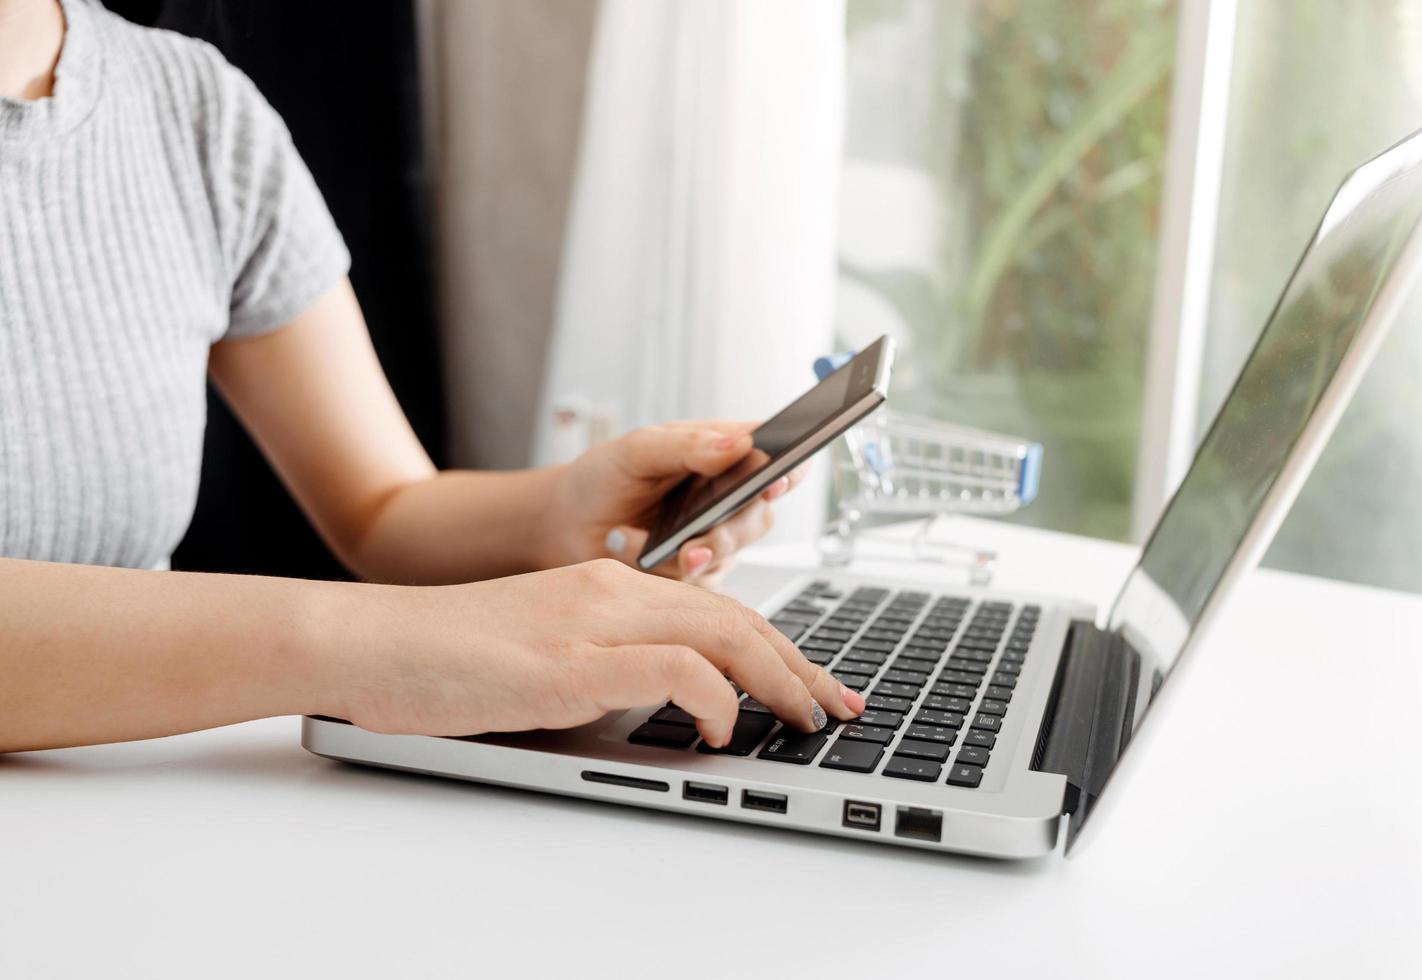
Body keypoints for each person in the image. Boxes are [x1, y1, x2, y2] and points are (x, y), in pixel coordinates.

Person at [0, 0, 860, 752]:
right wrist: (379, 648)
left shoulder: (191, 107)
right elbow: (375, 619)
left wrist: (569, 512)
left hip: (128, 827)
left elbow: (381, 508)